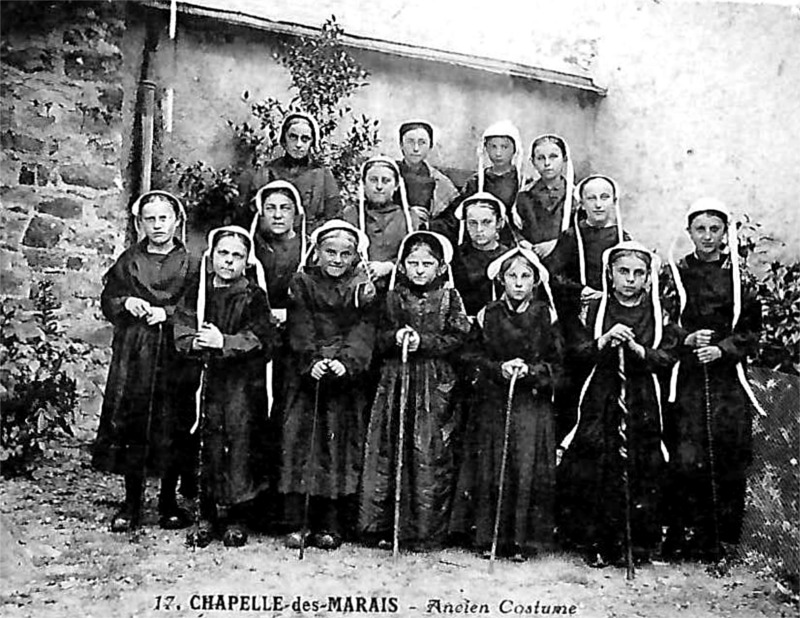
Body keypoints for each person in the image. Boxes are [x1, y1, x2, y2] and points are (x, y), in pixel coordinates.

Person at [557, 241, 679, 567]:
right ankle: (594, 540)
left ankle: (635, 543)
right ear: (609, 274)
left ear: (648, 279)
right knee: (597, 460)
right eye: (623, 271)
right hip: (601, 392)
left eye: (638, 273)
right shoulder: (594, 309)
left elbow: (668, 356)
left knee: (640, 461)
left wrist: (639, 350)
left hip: (641, 396)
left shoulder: (658, 311)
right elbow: (574, 353)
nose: (630, 279)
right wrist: (605, 340)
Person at [662, 198, 763, 560]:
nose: (707, 236)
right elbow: (663, 319)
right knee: (686, 452)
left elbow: (752, 330)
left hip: (726, 378)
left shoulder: (739, 276)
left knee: (725, 451)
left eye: (714, 229)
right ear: (689, 232)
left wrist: (723, 348)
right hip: (687, 375)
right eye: (700, 229)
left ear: (725, 233)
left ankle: (717, 537)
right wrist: (686, 339)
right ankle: (680, 533)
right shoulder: (674, 272)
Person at [93, 190, 198, 532]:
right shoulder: (129, 259)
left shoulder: (191, 262)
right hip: (135, 352)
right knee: (133, 420)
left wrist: (165, 313)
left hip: (173, 352)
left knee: (173, 421)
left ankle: (168, 502)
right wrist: (126, 303)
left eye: (163, 218)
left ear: (176, 220)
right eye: (149, 219)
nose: (157, 225)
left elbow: (195, 307)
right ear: (140, 223)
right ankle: (131, 502)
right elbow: (109, 297)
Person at [450, 246, 563, 560]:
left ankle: (522, 541)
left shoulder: (545, 315)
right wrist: (496, 368)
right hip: (494, 401)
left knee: (525, 465)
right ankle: (490, 536)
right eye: (512, 276)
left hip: (530, 403)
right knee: (493, 464)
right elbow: (470, 357)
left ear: (535, 282)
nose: (518, 282)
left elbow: (558, 365)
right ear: (501, 279)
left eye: (525, 276)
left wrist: (532, 371)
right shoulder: (488, 314)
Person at [359, 231, 470, 550]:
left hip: (435, 382)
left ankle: (425, 530)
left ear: (440, 267)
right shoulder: (392, 297)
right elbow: (376, 336)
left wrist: (426, 342)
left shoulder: (450, 298)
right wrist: (396, 337)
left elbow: (459, 336)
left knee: (429, 451)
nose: (420, 270)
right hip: (397, 379)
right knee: (392, 446)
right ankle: (386, 527)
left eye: (427, 263)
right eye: (413, 263)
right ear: (403, 266)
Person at [174, 226, 276, 548]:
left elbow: (263, 338)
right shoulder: (199, 292)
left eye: (236, 256)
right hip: (207, 379)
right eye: (223, 254)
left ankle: (237, 515)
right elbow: (182, 324)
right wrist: (194, 342)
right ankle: (205, 512)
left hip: (242, 385)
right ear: (211, 256)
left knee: (240, 442)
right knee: (207, 439)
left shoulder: (253, 296)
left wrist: (225, 342)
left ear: (246, 262)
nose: (228, 262)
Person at [278, 220, 377, 551]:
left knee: (338, 449)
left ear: (354, 257)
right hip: (306, 376)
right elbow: (299, 323)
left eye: (345, 254)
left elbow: (364, 328)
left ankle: (331, 524)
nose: (336, 259)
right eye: (330, 252)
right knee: (300, 445)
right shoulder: (302, 283)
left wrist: (346, 362)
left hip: (344, 381)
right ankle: (298, 521)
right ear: (317, 252)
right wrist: (311, 360)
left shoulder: (362, 289)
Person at [243, 112, 342, 233]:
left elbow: (334, 217)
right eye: (293, 137)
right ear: (284, 140)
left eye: (305, 139)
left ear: (312, 142)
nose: (298, 144)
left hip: (312, 241)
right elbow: (253, 215)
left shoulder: (323, 175)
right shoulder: (267, 172)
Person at [432, 120, 523, 246]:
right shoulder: (476, 182)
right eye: (493, 147)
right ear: (485, 148)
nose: (498, 153)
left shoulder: (523, 183)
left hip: (513, 242)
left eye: (504, 147)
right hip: (479, 240)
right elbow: (455, 215)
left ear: (515, 149)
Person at [343, 155, 421, 287]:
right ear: (363, 183)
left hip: (399, 287)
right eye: (373, 180)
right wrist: (359, 264)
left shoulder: (409, 218)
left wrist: (389, 266)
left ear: (396, 185)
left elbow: (417, 254)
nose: (379, 186)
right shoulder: (351, 214)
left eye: (386, 181)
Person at [512, 134, 577, 258]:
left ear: (564, 159)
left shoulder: (575, 196)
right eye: (541, 158)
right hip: (532, 258)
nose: (547, 163)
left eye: (553, 157)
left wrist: (556, 243)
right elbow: (515, 228)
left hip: (566, 259)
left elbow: (583, 229)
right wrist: (522, 242)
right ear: (533, 162)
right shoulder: (524, 195)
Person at [451, 192, 510, 317]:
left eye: (486, 222)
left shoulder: (509, 258)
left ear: (499, 223)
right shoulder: (456, 257)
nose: (479, 230)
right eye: (472, 223)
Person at [395, 120, 459, 226]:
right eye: (410, 142)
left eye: (422, 143)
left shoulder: (441, 182)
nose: (416, 149)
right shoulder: (389, 176)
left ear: (430, 146)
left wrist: (428, 225)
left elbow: (452, 219)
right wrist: (406, 214)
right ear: (401, 145)